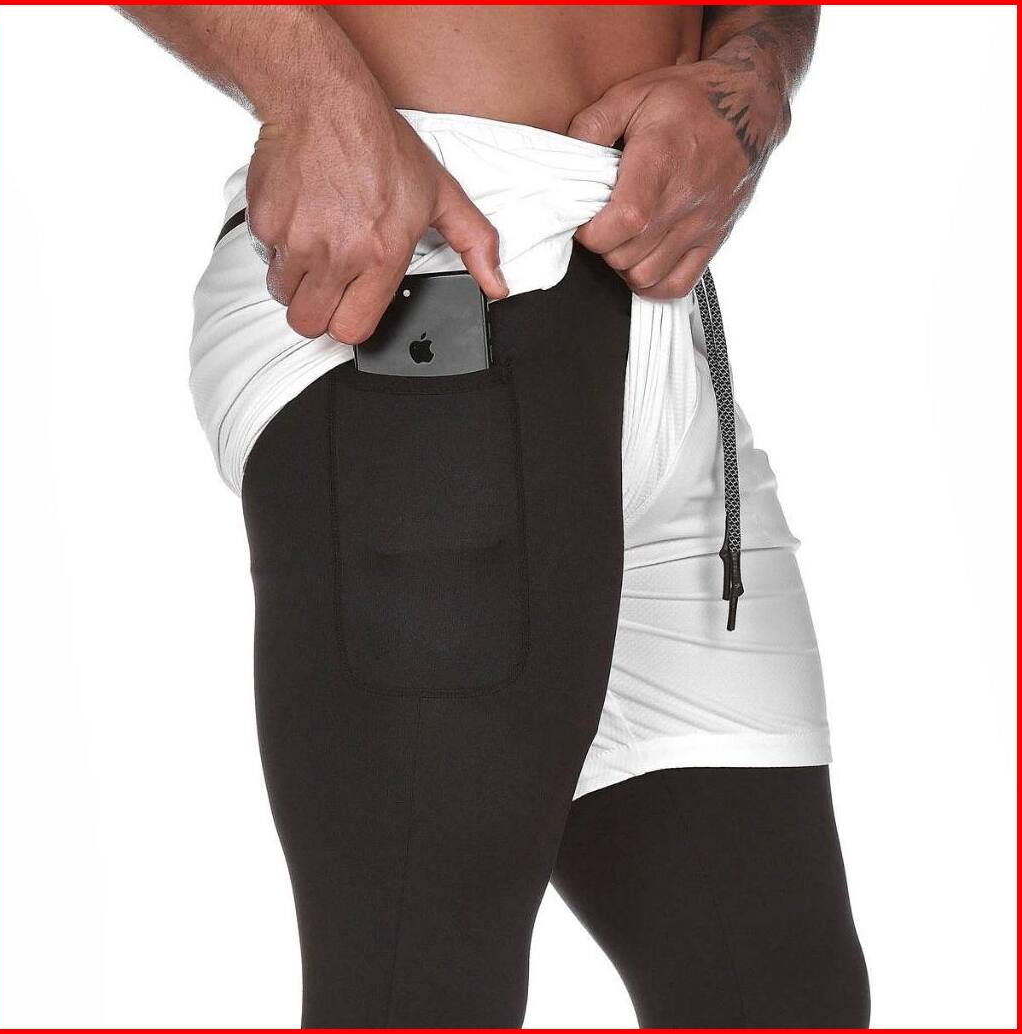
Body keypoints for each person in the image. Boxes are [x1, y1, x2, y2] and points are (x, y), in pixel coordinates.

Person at [118, 5, 870, 1028]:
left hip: (658, 317)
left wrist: (754, 77)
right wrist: (311, 95)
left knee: (781, 995)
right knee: (422, 994)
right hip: (428, 275)